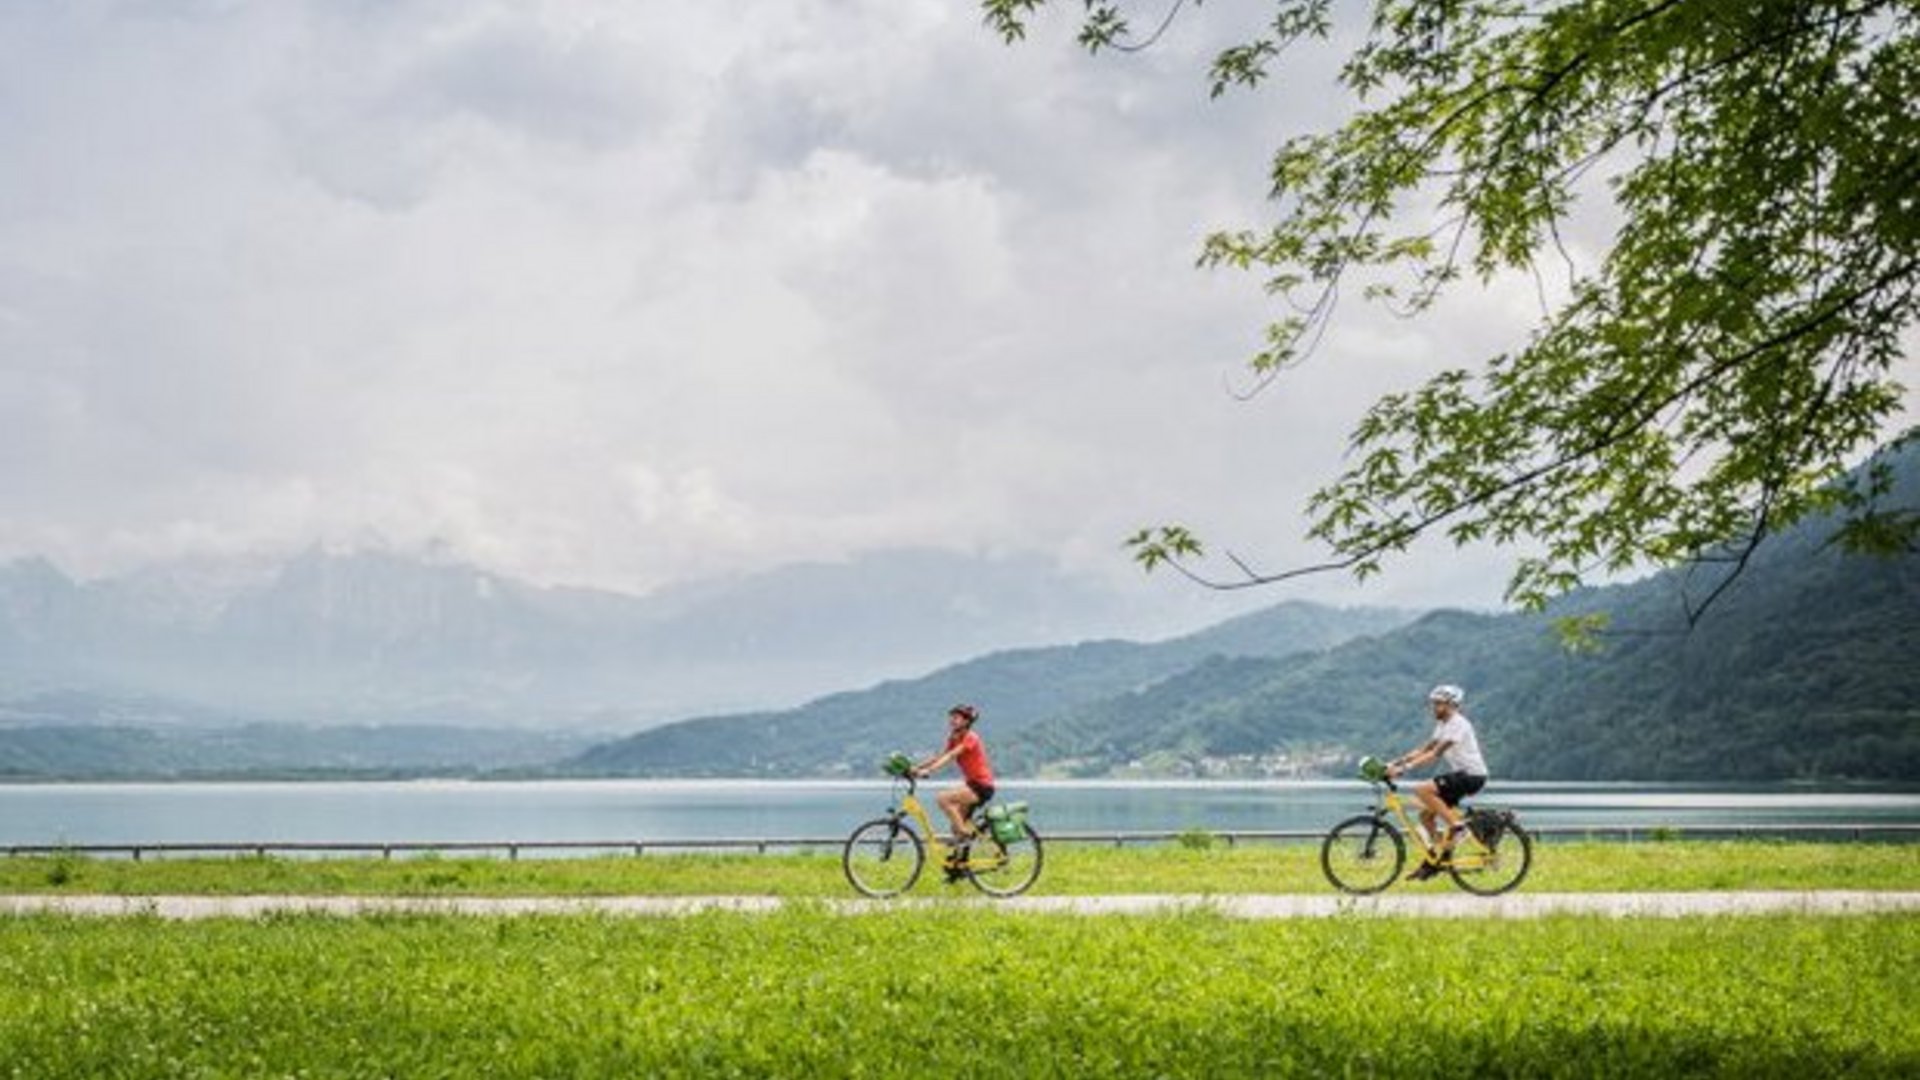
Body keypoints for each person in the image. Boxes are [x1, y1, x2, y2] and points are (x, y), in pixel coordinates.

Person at [1386, 683, 1489, 881]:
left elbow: (1436, 753)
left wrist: (1403, 770)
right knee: (1425, 817)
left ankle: (1457, 826)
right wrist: (1394, 763)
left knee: (1422, 790)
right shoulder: (1443, 725)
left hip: (1472, 776)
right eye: (1434, 704)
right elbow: (1425, 748)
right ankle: (1436, 859)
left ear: (1452, 705)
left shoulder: (1459, 723)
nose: (1435, 708)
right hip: (1462, 776)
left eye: (1440, 704)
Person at [914, 703, 996, 864]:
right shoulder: (954, 737)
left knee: (943, 799)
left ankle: (965, 837)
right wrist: (916, 768)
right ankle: (959, 866)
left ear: (966, 721)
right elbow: (941, 756)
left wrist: (929, 771)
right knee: (956, 825)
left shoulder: (971, 737)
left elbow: (951, 756)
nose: (952, 720)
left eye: (956, 717)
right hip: (972, 784)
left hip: (982, 786)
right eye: (951, 717)